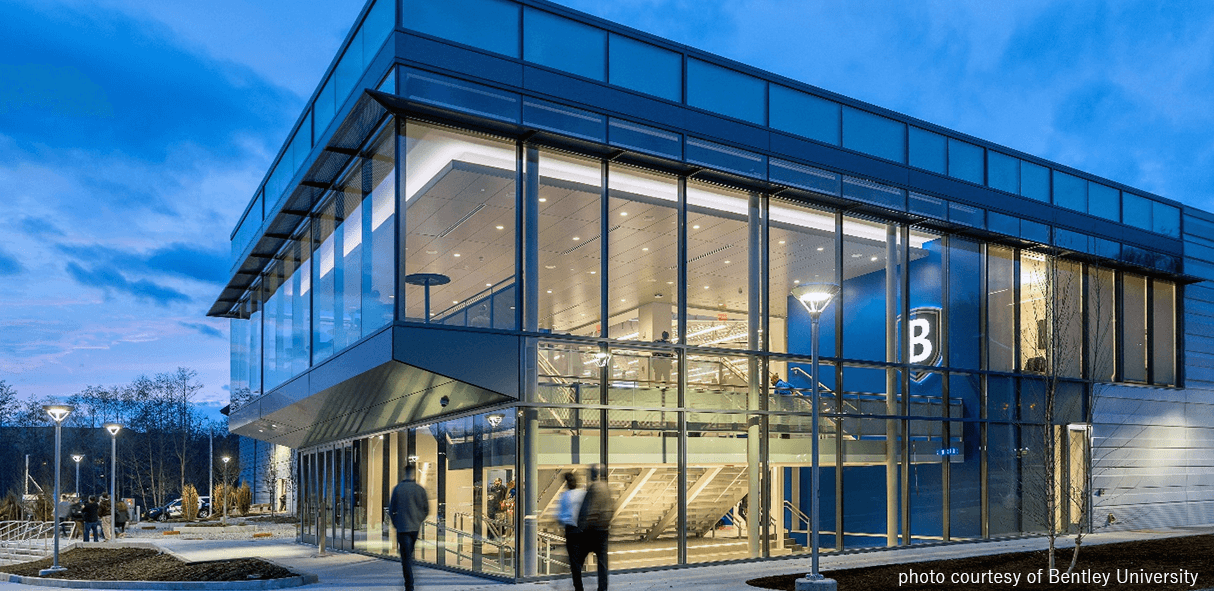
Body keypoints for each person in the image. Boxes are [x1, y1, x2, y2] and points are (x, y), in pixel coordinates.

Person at [573, 464, 613, 591]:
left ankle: (578, 587)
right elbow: (612, 507)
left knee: (578, 560)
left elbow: (586, 509)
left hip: (591, 531)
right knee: (602, 562)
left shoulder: (592, 489)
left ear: (592, 474)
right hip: (603, 530)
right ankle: (603, 588)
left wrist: (581, 527)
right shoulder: (606, 488)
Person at [389, 464, 429, 591]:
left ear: (404, 473)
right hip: (414, 528)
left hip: (402, 528)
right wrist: (418, 520)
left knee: (405, 557)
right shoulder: (420, 489)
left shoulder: (398, 489)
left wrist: (396, 522)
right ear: (414, 474)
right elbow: (426, 509)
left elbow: (391, 509)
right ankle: (409, 582)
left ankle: (409, 584)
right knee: (408, 554)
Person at [557, 471, 586, 588]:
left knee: (574, 561)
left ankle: (578, 586)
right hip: (583, 530)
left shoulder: (564, 496)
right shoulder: (583, 494)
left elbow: (560, 516)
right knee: (579, 559)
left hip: (571, 530)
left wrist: (561, 521)